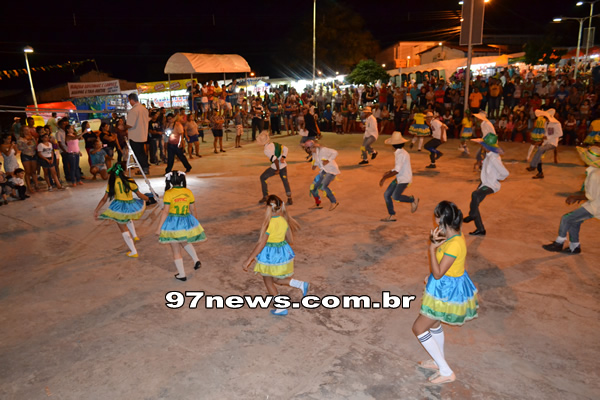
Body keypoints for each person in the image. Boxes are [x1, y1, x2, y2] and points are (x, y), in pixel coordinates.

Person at [411, 201, 479, 385]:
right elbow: (447, 267)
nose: (434, 219)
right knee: (434, 324)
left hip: (446, 291)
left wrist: (432, 248)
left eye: (436, 216)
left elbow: (439, 273)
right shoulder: (453, 235)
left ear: (442, 219)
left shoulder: (455, 244)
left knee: (419, 328)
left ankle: (446, 371)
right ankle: (437, 361)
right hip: (443, 285)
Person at [242, 194, 308, 316]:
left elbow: (262, 244)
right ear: (280, 206)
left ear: (267, 207)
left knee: (268, 280)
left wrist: (249, 260)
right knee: (276, 279)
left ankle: (281, 307)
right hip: (281, 252)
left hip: (270, 255)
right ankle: (300, 284)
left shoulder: (269, 223)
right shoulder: (284, 220)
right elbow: (290, 239)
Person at [542, 145, 600, 254]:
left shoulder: (594, 175)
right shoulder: (595, 171)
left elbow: (592, 196)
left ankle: (559, 243)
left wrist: (576, 197)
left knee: (566, 218)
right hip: (594, 203)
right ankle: (575, 246)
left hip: (595, 206)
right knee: (575, 221)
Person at [156, 170, 207, 281]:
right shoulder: (188, 191)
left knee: (176, 249)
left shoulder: (168, 193)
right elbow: (193, 209)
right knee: (185, 241)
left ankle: (182, 274)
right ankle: (196, 260)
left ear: (169, 181)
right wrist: (195, 223)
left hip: (173, 223)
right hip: (186, 221)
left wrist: (159, 228)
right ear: (182, 179)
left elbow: (165, 212)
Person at [94, 163, 149, 257]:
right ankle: (135, 236)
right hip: (130, 205)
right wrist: (147, 199)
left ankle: (134, 252)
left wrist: (96, 210)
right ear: (124, 170)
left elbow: (104, 198)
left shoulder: (112, 182)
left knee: (123, 229)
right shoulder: (130, 180)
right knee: (128, 217)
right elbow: (139, 195)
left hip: (119, 207)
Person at [463, 134, 509, 236]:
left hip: (490, 185)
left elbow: (505, 173)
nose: (482, 146)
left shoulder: (494, 158)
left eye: (483, 145)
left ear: (487, 146)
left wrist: (496, 178)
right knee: (475, 203)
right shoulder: (489, 155)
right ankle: (480, 229)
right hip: (484, 183)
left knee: (475, 195)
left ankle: (472, 215)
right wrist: (480, 164)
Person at [379, 131, 419, 222]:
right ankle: (391, 215)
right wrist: (389, 172)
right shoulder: (401, 152)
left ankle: (412, 200)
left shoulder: (400, 154)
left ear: (393, 145)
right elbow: (397, 168)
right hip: (400, 178)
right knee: (387, 195)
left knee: (395, 197)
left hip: (404, 179)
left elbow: (397, 170)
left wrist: (384, 177)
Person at [257, 131, 292, 206]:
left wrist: (277, 170)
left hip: (275, 167)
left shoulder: (266, 150)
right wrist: (283, 157)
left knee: (263, 177)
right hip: (283, 165)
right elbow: (286, 148)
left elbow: (275, 160)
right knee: (285, 181)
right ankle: (289, 197)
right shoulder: (274, 144)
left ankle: (265, 196)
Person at [304, 140, 340, 211]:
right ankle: (318, 204)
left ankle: (334, 202)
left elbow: (335, 152)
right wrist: (313, 166)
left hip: (331, 170)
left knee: (323, 186)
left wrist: (328, 160)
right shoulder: (314, 153)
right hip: (324, 171)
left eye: (307, 149)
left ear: (311, 147)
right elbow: (316, 163)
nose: (307, 151)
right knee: (313, 187)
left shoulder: (323, 150)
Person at [526, 109, 562, 179]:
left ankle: (533, 166)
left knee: (540, 149)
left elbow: (560, 134)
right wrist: (541, 141)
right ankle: (540, 173)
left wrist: (548, 137)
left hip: (552, 143)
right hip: (546, 142)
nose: (545, 118)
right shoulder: (546, 123)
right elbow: (546, 134)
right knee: (539, 153)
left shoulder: (557, 124)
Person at [126, 93, 150, 175]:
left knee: (138, 154)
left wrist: (123, 127)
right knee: (142, 152)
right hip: (143, 134)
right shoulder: (144, 109)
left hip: (135, 136)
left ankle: (144, 168)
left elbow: (130, 124)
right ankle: (145, 167)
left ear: (131, 100)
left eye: (129, 101)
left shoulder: (133, 110)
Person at [17, 126, 39, 193]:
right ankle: (29, 187)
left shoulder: (32, 137)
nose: (27, 131)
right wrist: (26, 144)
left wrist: (35, 141)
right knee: (28, 172)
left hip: (33, 155)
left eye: (28, 130)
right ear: (22, 131)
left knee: (34, 171)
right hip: (25, 155)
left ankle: (36, 185)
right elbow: (19, 148)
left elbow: (35, 146)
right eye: (26, 130)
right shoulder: (20, 139)